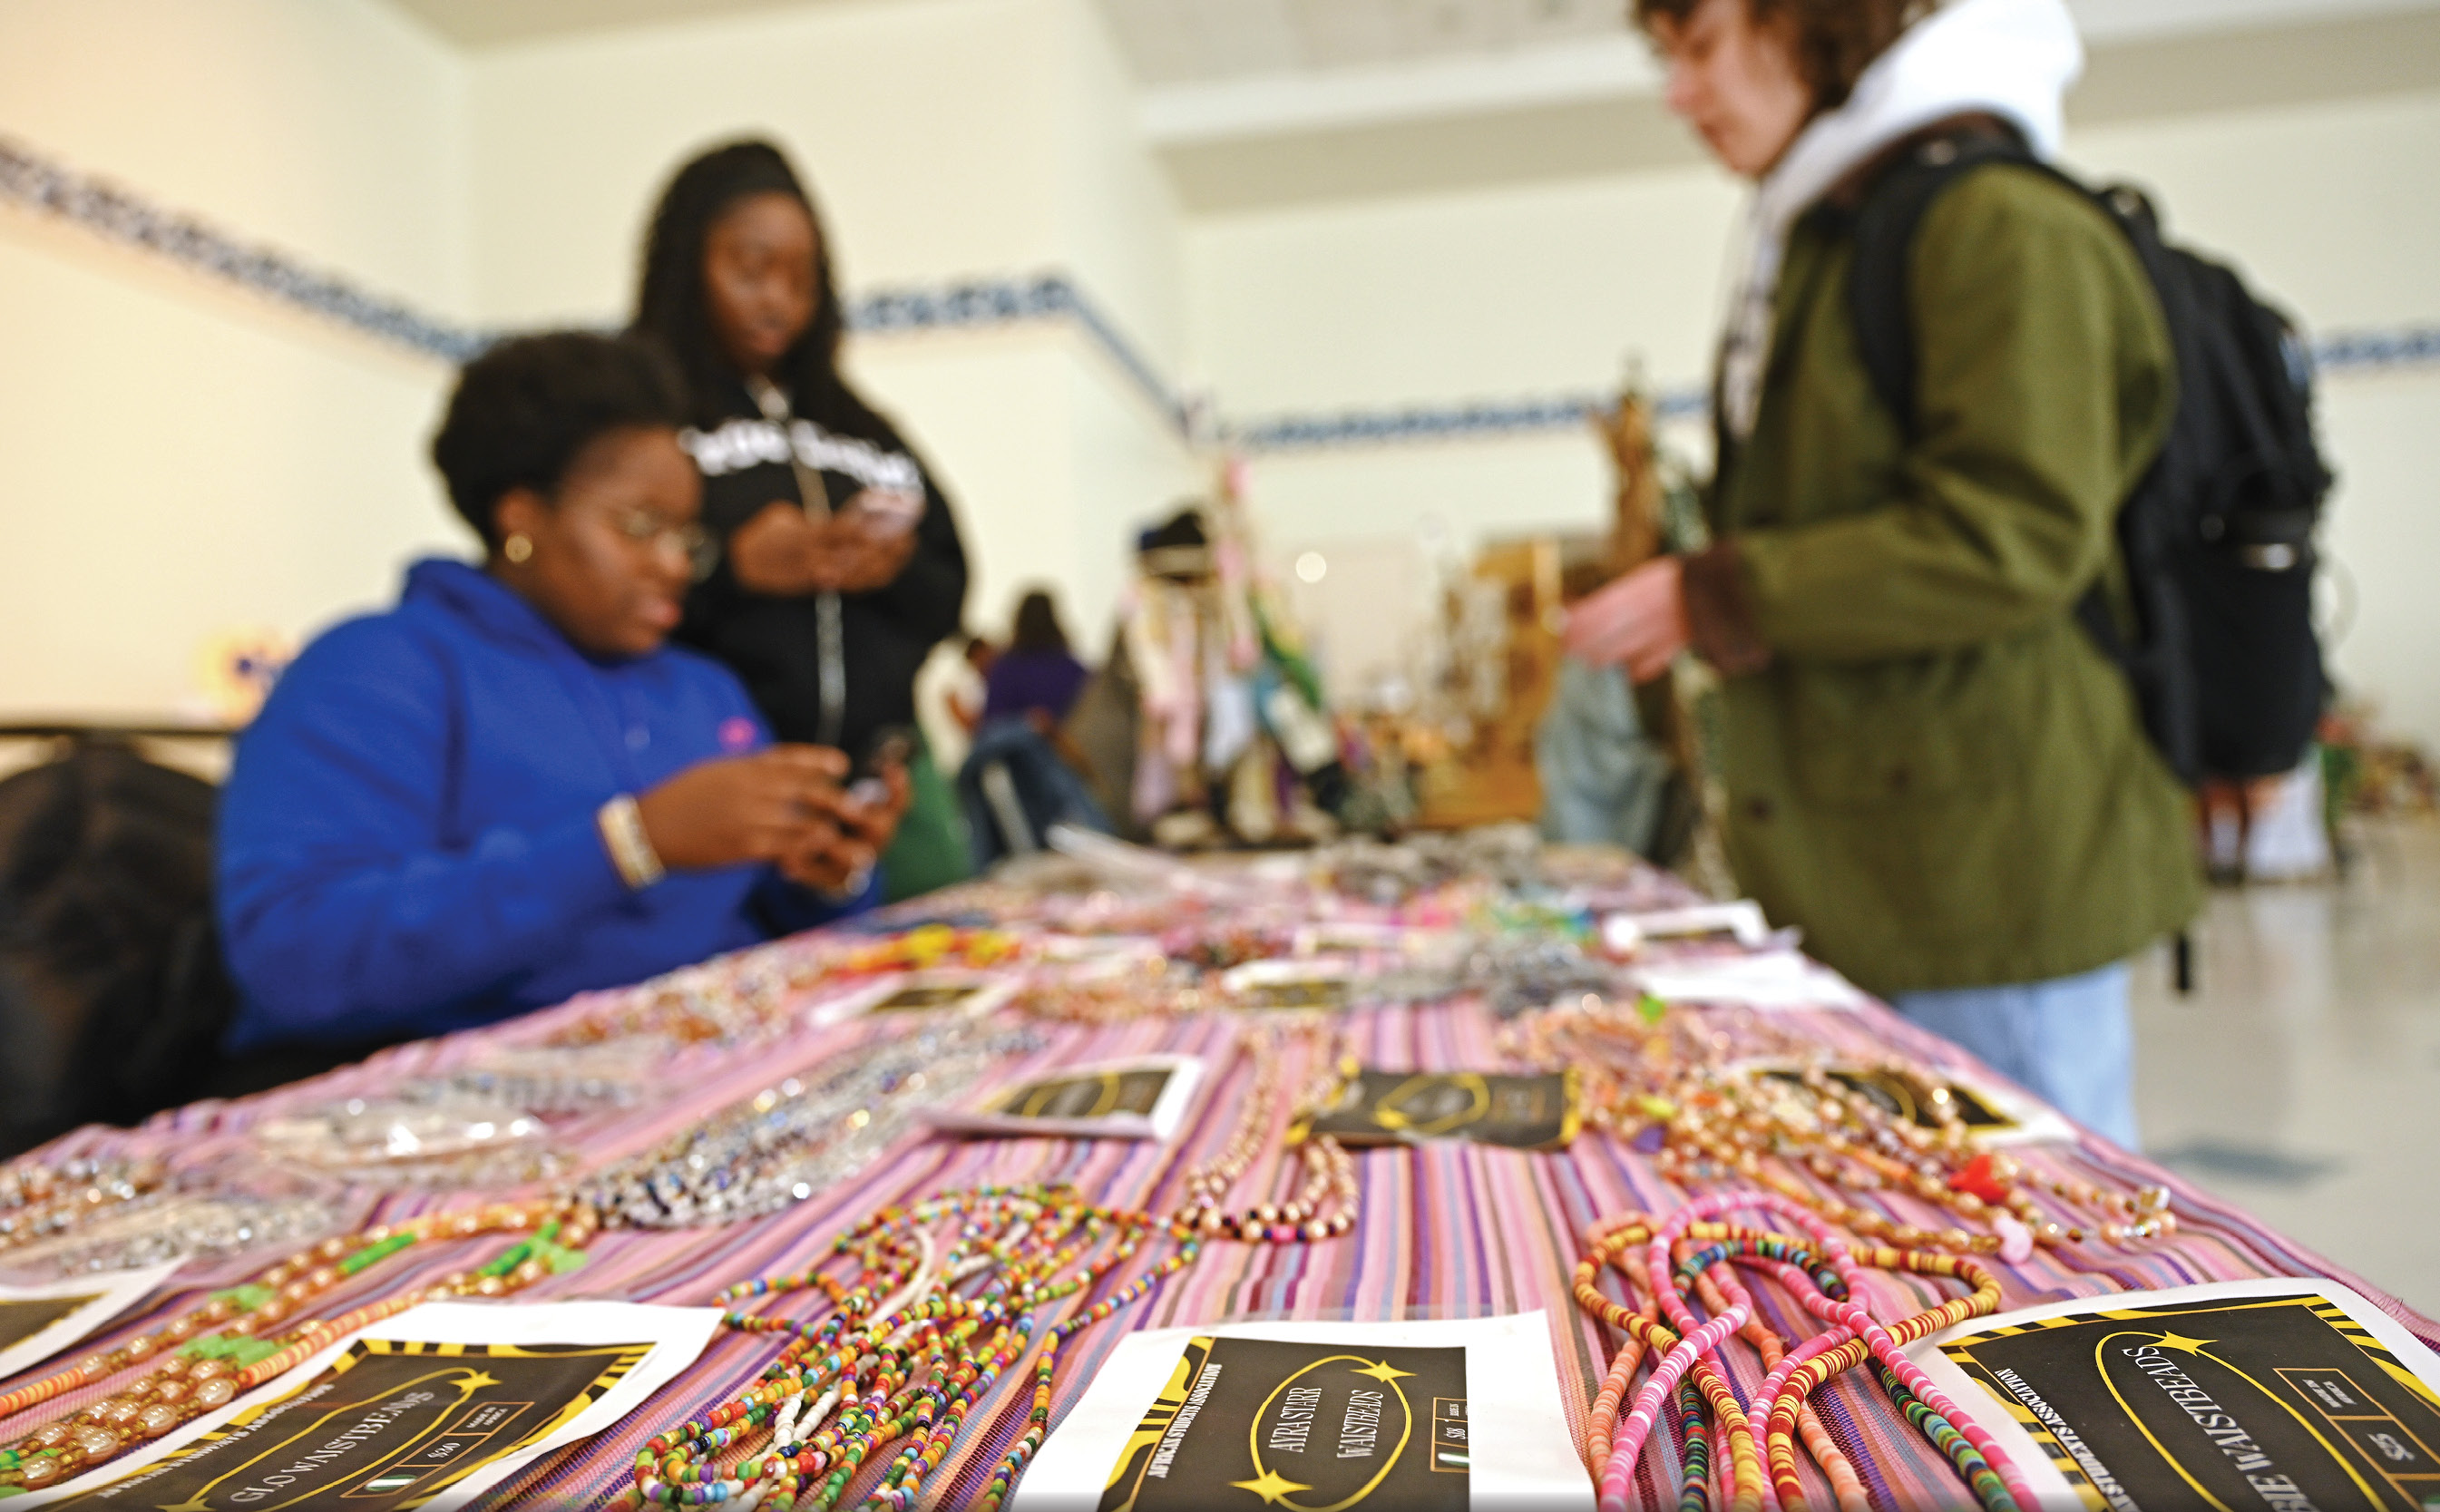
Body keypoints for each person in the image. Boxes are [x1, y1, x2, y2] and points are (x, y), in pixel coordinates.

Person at [1564, 0, 2201, 1146]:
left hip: (1983, 888)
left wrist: (1708, 593)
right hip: (1877, 871)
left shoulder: (1991, 221)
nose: (1678, 94)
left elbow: (2010, 534)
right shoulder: (1827, 236)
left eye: (1699, 46)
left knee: (2037, 1258)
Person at [216, 333, 903, 1087]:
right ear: (522, 518)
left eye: (688, 536)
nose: (675, 564)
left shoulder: (703, 689)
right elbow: (296, 956)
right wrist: (630, 842)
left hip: (708, 1080)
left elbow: (775, 925)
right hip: (451, 1111)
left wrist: (824, 871)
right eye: (640, 527)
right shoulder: (378, 669)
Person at [630, 139, 970, 902]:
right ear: (688, 265)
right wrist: (732, 566)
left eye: (800, 278)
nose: (777, 300)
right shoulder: (649, 415)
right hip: (715, 793)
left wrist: (893, 565)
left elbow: (952, 583)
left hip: (883, 794)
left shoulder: (863, 426)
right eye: (750, 271)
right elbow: (602, 579)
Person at [981, 590, 1090, 732]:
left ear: (1018, 620)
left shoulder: (1005, 670)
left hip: (1016, 752)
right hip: (1064, 753)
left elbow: (991, 726)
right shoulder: (1076, 672)